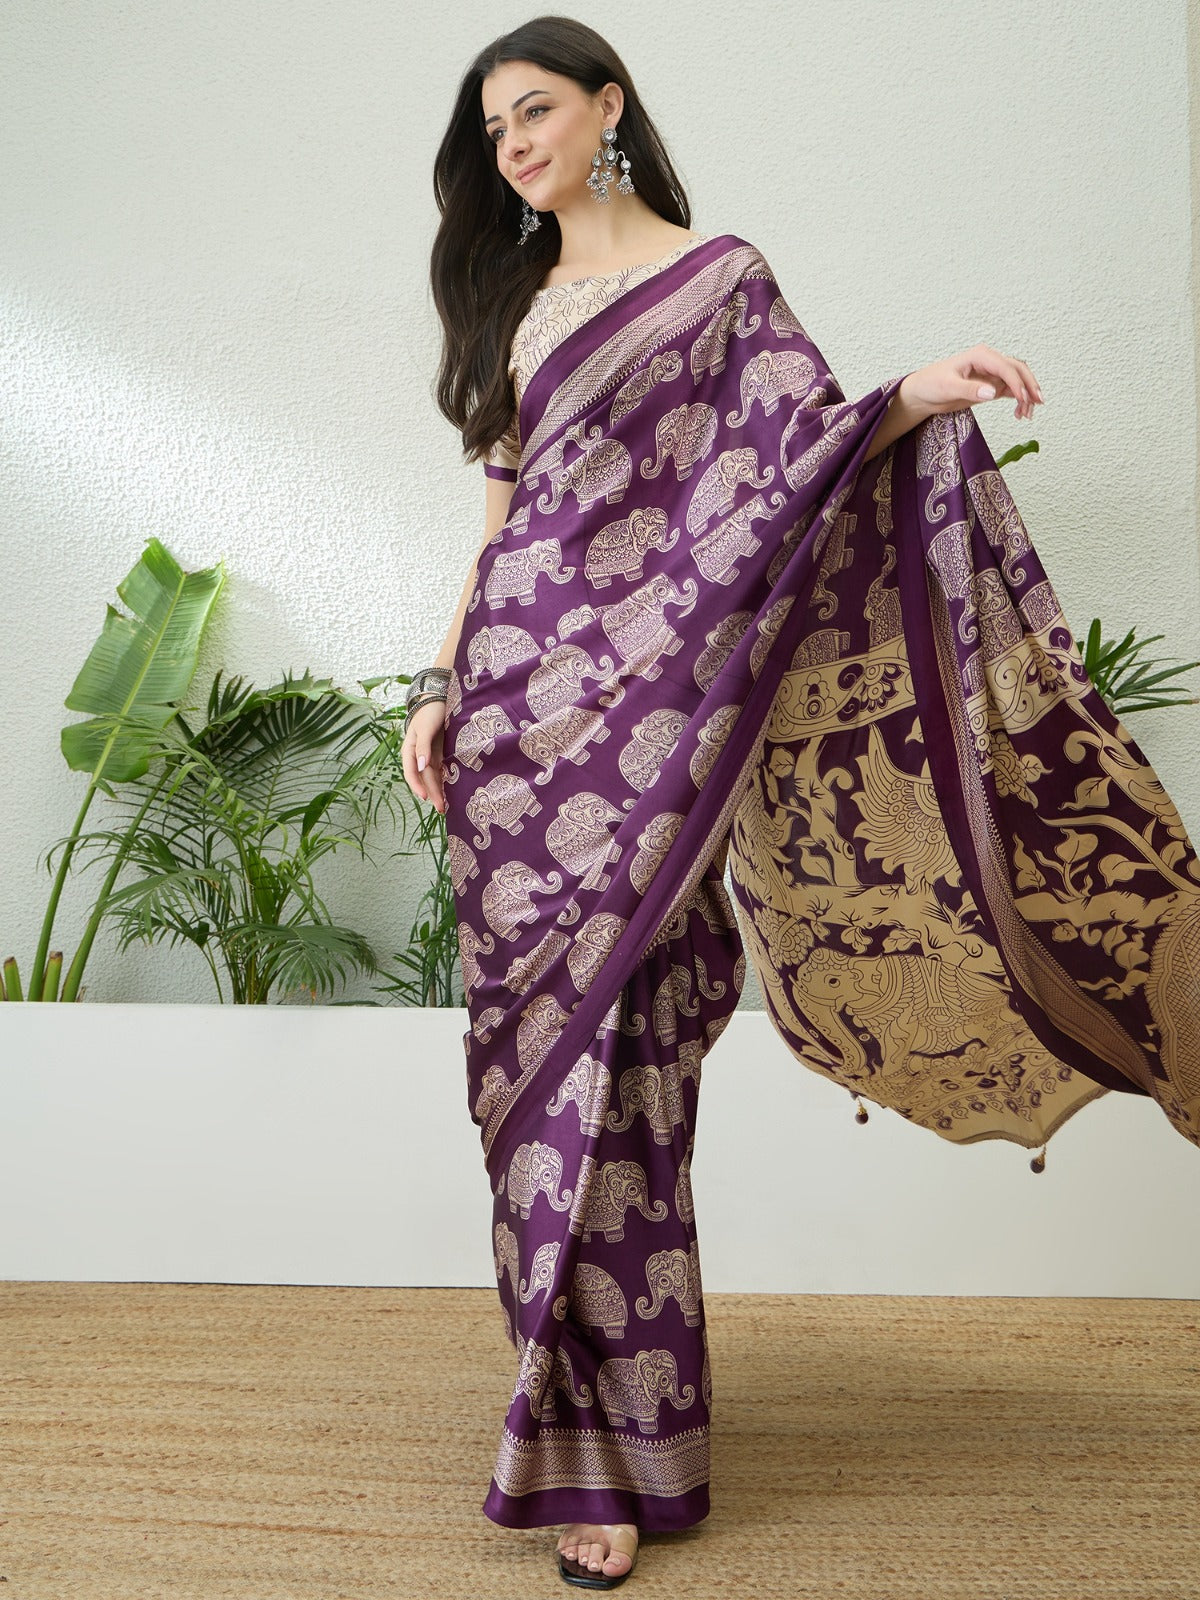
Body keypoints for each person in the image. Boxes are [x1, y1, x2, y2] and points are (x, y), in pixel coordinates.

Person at [401, 16, 1200, 1589]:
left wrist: (912, 390)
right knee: (530, 1096)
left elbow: (797, 471)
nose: (513, 142)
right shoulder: (509, 304)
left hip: (657, 748)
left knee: (628, 1079)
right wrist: (439, 688)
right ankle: (561, 1425)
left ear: (610, 108)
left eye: (537, 109)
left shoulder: (722, 286)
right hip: (517, 738)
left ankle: (616, 1461)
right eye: (492, 127)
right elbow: (502, 540)